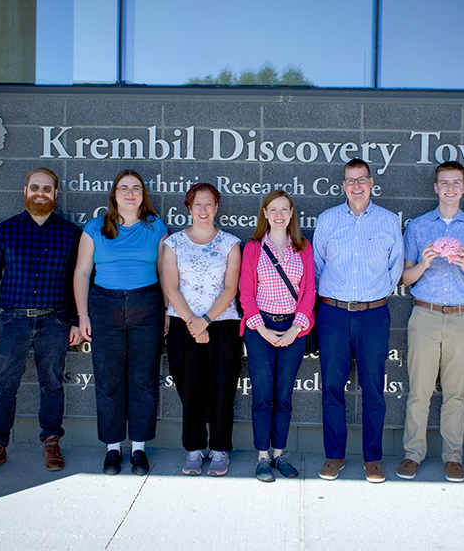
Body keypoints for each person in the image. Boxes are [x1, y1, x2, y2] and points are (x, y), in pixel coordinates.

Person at [0, 167, 82, 476]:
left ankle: (51, 442)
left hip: (55, 321)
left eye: (47, 189)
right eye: (35, 187)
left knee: (52, 384)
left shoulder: (69, 233)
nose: (40, 193)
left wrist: (76, 320)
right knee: (3, 385)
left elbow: (78, 279)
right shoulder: (6, 230)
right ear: (25, 191)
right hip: (12, 322)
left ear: (55, 194)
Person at [396, 161, 464, 482]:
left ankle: (453, 456)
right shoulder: (419, 227)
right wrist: (423, 263)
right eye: (444, 183)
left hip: (463, 318)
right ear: (435, 188)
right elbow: (406, 278)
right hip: (424, 314)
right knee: (419, 390)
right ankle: (413, 453)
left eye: (456, 183)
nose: (450, 188)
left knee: (455, 394)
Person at [313, 158, 403, 483]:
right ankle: (334, 456)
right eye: (350, 181)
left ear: (371, 182)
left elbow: (395, 269)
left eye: (361, 179)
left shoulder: (389, 221)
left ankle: (373, 458)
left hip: (374, 315)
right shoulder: (327, 220)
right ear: (343, 186)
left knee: (373, 389)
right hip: (334, 313)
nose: (356, 186)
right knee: (332, 388)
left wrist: (373, 295)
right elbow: (318, 266)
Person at [74, 169, 168, 477]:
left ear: (144, 194)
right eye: (124, 188)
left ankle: (138, 447)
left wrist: (167, 310)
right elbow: (82, 273)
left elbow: (166, 272)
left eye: (136, 188)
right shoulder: (95, 227)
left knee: (143, 379)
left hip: (147, 305)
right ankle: (112, 448)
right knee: (108, 378)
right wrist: (83, 314)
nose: (130, 193)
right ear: (114, 195)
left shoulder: (155, 227)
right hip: (104, 306)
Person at [161, 183, 242, 477]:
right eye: (198, 204)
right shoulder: (174, 244)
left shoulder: (230, 243)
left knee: (222, 389)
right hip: (184, 325)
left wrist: (205, 321)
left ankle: (220, 449)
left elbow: (231, 288)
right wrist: (193, 324)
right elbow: (171, 287)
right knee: (190, 389)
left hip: (221, 325)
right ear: (189, 208)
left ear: (217, 207)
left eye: (209, 204)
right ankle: (193, 449)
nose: (203, 210)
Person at [240, 191, 316, 482]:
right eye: (273, 209)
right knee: (262, 396)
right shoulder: (253, 248)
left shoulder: (303, 247)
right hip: (260, 330)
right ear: (265, 214)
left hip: (293, 330)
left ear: (292, 212)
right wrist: (262, 330)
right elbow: (246, 293)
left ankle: (279, 453)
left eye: (285, 209)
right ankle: (262, 457)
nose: (279, 214)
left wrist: (295, 330)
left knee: (284, 396)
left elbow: (309, 291)